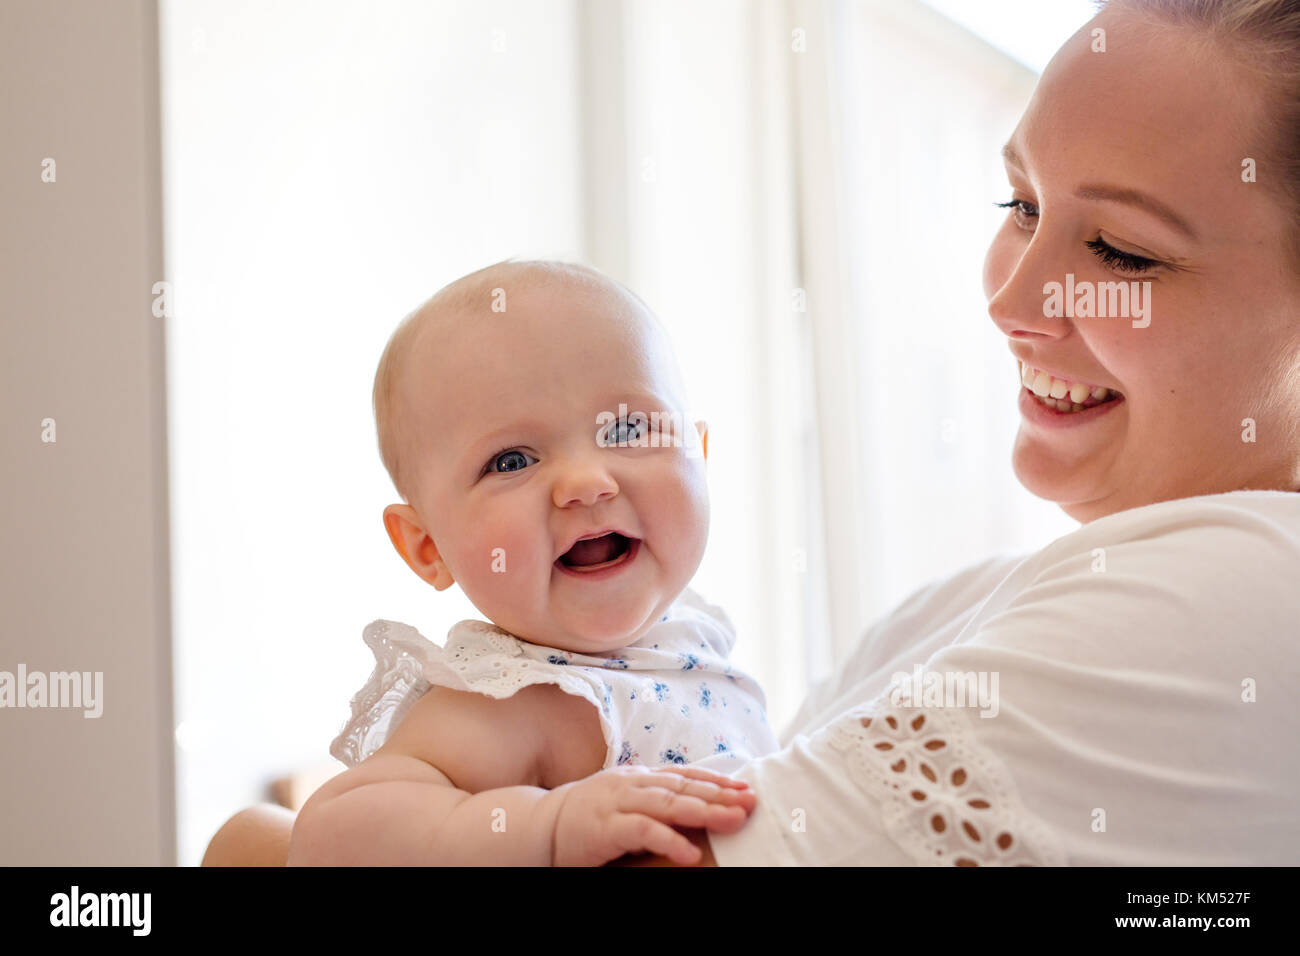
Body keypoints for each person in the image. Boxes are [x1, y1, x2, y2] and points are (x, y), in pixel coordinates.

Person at [204, 0, 1300, 866]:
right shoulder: (953, 612)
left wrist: (250, 853)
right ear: (423, 543)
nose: (1012, 295)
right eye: (1017, 206)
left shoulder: (1247, 585)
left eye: (1120, 249)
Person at [288, 259, 779, 866]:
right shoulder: (517, 697)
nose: (586, 481)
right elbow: (333, 837)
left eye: (627, 428)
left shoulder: (694, 631)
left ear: (699, 455)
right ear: (428, 547)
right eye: (512, 461)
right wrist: (548, 827)